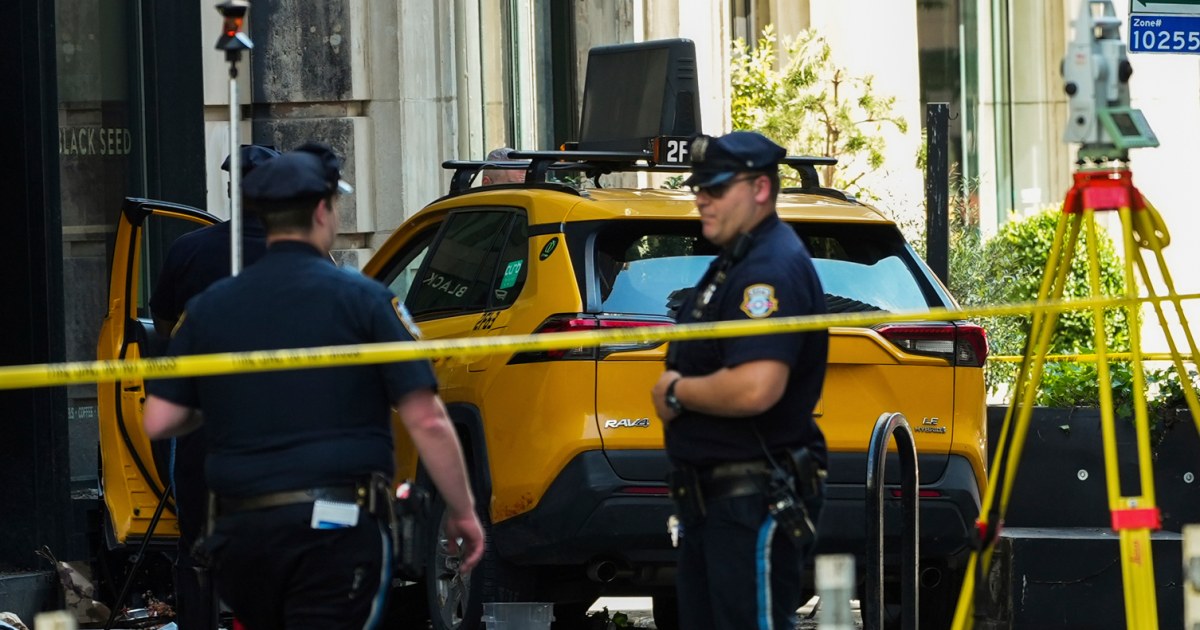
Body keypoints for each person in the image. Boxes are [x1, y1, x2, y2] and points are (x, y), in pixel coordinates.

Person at [142, 141, 484, 629]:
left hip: (243, 532)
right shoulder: (365, 300)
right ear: (323, 212)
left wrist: (221, 400)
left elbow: (159, 419)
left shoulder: (210, 307)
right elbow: (427, 419)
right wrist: (463, 511)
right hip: (336, 527)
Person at [650, 131, 829, 630]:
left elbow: (757, 387)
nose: (701, 198)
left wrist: (675, 392)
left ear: (760, 189)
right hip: (714, 503)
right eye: (699, 188)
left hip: (751, 499)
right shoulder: (733, 263)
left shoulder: (768, 269)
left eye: (716, 187)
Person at [148, 143, 279, 630]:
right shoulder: (306, 256)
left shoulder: (188, 249)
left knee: (197, 544)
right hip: (280, 426)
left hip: (205, 422)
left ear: (231, 189)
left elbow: (163, 325)